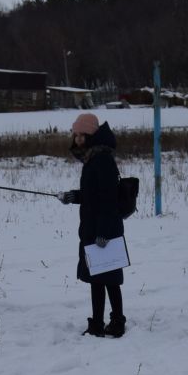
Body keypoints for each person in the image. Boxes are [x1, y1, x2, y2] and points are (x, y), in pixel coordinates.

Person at [59, 112, 128, 337]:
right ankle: (97, 323)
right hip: (93, 229)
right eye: (75, 135)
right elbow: (93, 195)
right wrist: (73, 196)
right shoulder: (92, 159)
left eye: (82, 135)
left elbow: (109, 200)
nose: (78, 139)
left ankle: (117, 322)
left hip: (103, 231)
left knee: (109, 281)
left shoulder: (102, 160)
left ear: (92, 135)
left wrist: (104, 233)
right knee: (96, 281)